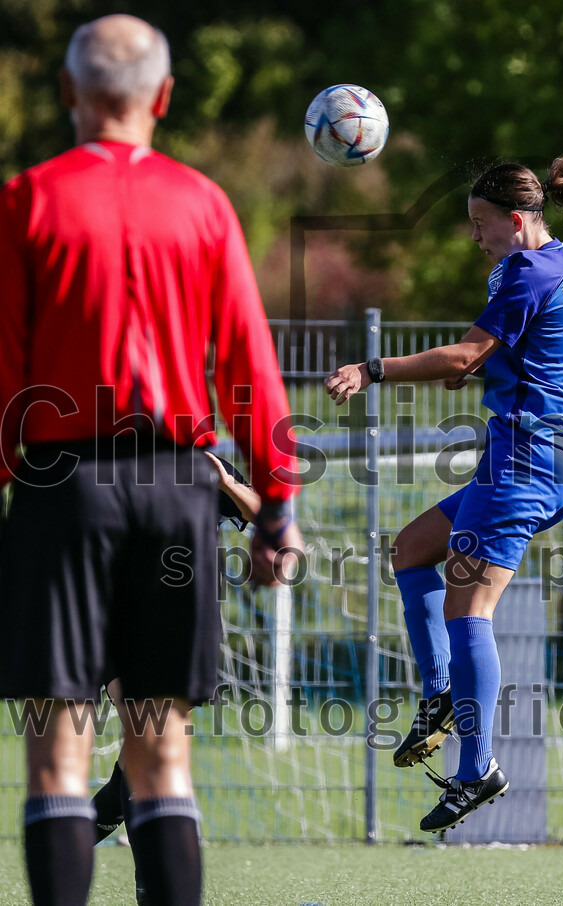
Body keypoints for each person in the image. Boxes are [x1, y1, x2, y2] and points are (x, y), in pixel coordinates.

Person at [0, 15, 303, 906]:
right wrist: (277, 503)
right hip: (178, 485)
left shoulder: (26, 198)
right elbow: (251, 365)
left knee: (58, 749)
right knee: (162, 752)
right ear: (164, 99)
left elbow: (4, 366)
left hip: (64, 486)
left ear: (68, 94)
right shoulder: (205, 202)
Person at [325, 149, 563, 832]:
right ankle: (442, 692)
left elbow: (463, 355)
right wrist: (484, 364)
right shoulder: (561, 262)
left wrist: (374, 368)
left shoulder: (523, 271)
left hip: (524, 463)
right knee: (412, 548)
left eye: (481, 223)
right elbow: (512, 352)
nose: (474, 236)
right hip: (550, 460)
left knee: (469, 611)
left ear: (515, 220)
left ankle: (474, 766)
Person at [91, 452, 259, 906]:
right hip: (116, 628)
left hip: (186, 630)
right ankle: (149, 887)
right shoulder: (104, 466)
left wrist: (226, 483)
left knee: (141, 758)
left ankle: (76, 833)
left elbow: (261, 512)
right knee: (148, 747)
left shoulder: (203, 464)